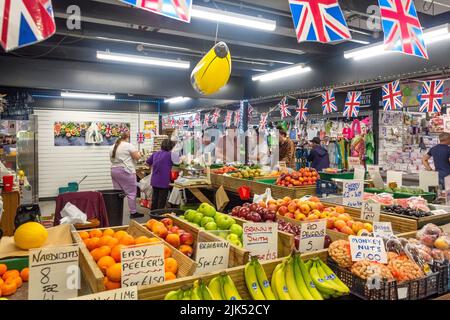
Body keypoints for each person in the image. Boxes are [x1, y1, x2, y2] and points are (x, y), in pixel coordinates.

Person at [110, 132, 143, 219]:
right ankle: (133, 212)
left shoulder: (112, 146)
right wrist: (140, 154)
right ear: (127, 137)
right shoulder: (128, 145)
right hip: (125, 170)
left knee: (118, 193)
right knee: (131, 193)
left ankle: (116, 211)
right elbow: (137, 157)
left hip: (114, 170)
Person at [147, 139, 180, 210]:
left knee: (155, 199)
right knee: (161, 201)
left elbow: (148, 162)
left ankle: (153, 215)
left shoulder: (155, 153)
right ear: (171, 147)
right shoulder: (171, 154)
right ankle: (159, 216)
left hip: (154, 179)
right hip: (164, 180)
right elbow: (178, 163)